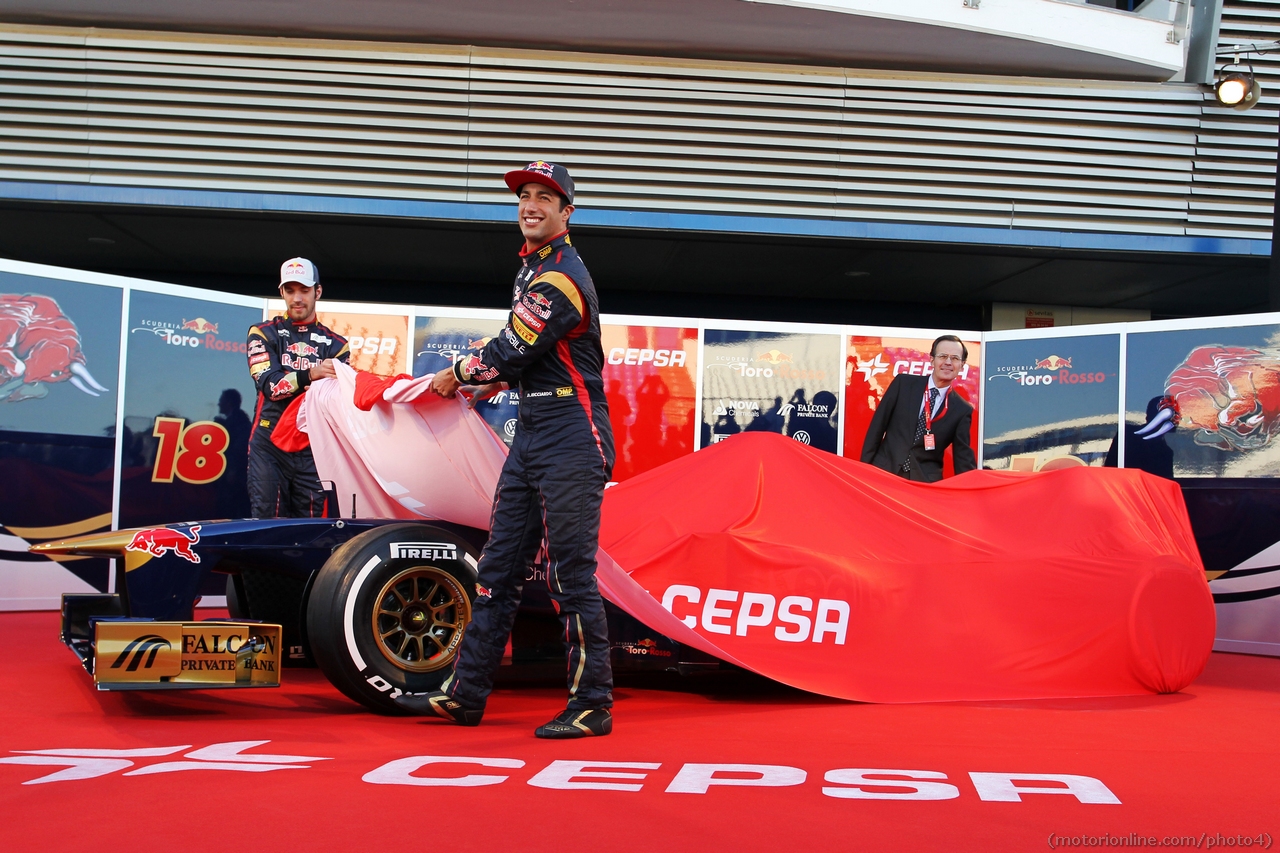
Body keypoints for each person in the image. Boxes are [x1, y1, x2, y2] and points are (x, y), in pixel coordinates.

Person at [395, 161, 616, 739]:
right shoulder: (531, 269)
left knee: (571, 578)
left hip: (574, 432)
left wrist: (460, 375)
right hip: (535, 428)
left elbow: (512, 346)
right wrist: (496, 379)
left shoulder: (561, 275)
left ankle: (593, 704)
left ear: (568, 213)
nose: (531, 205)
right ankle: (465, 696)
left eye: (546, 197)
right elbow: (527, 354)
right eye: (525, 195)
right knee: (495, 572)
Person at [245, 258, 349, 518]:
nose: (297, 298)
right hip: (269, 444)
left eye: (304, 290)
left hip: (313, 446)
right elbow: (270, 386)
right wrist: (312, 374)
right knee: (269, 525)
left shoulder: (337, 345)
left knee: (313, 530)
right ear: (281, 293)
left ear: (318, 291)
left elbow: (338, 400)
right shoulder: (262, 333)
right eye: (290, 290)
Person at [861, 335, 976, 482]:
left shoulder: (961, 409)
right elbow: (877, 428)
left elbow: (963, 458)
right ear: (932, 359)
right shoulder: (903, 384)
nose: (948, 362)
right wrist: (864, 469)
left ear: (962, 365)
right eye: (943, 356)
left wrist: (971, 492)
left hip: (923, 484)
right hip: (884, 471)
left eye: (954, 358)